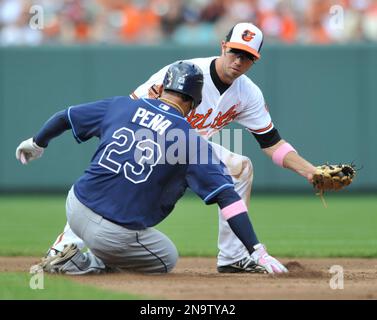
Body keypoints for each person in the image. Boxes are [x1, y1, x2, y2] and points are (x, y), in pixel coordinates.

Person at [38, 22, 318, 273]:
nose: (239, 60)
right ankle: (63, 248)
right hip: (148, 140)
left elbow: (271, 143)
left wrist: (309, 171)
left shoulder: (248, 93)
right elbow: (131, 115)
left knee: (241, 168)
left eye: (247, 57)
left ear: (255, 61)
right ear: (223, 47)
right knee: (115, 185)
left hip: (189, 148)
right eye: (235, 51)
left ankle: (233, 257)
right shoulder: (185, 73)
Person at [16, 61, 288, 274]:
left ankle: (67, 248)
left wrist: (37, 143)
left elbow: (65, 116)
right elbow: (228, 197)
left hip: (75, 206)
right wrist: (256, 250)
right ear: (194, 102)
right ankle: (83, 264)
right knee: (167, 259)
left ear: (160, 88)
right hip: (114, 234)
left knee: (104, 207)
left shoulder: (121, 106)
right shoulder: (189, 139)